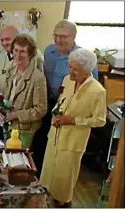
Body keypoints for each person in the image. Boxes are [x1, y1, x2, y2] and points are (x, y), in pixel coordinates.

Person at [40, 48, 106, 208]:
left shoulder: (98, 91)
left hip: (74, 140)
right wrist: (56, 116)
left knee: (65, 177)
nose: (71, 72)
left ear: (87, 70)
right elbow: (61, 102)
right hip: (55, 134)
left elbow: (99, 120)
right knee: (48, 172)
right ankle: (44, 201)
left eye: (76, 69)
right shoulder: (67, 80)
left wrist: (74, 120)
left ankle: (63, 204)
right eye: (70, 67)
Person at [33, 19, 100, 178]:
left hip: (69, 109)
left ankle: (58, 183)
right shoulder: (49, 51)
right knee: (43, 141)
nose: (58, 40)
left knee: (62, 149)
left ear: (74, 37)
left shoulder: (83, 58)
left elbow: (90, 86)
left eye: (63, 36)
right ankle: (40, 177)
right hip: (48, 103)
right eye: (56, 36)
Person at [0, 34, 47, 148]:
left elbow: (41, 110)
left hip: (24, 130)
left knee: (19, 163)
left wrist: (16, 115)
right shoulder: (11, 70)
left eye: (22, 51)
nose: (17, 55)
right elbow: (5, 95)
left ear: (30, 54)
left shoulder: (37, 78)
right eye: (16, 50)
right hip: (8, 125)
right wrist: (0, 108)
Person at [0, 25, 44, 95]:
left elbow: (39, 81)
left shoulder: (35, 55)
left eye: (7, 39)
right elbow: (0, 79)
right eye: (2, 40)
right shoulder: (3, 53)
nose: (4, 43)